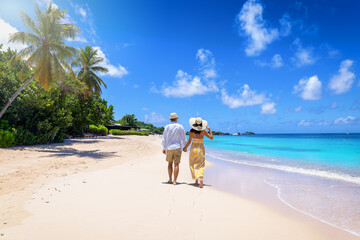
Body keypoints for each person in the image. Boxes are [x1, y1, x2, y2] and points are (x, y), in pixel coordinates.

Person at [183, 117, 213, 188]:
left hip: (193, 148)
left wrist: (185, 148)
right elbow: (211, 138)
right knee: (201, 164)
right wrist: (209, 130)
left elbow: (189, 141)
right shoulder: (203, 131)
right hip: (201, 149)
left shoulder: (191, 131)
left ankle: (196, 181)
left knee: (193, 163)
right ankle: (201, 179)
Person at [162, 113, 187, 185]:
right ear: (176, 119)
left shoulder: (167, 127)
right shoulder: (180, 126)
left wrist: (164, 148)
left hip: (169, 147)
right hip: (177, 147)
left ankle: (170, 179)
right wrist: (185, 147)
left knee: (170, 163)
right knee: (176, 164)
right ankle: (175, 181)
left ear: (170, 119)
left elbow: (164, 138)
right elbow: (184, 138)